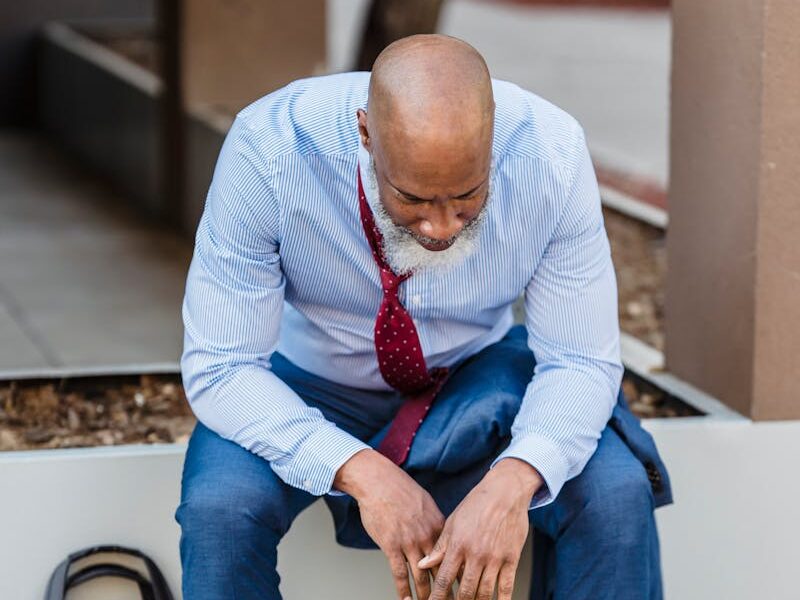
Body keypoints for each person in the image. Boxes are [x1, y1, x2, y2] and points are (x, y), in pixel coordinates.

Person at [176, 34, 672, 600]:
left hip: (476, 377)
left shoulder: (550, 155)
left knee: (613, 493)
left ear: (493, 143)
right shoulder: (268, 150)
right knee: (220, 510)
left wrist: (514, 481)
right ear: (366, 135)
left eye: (467, 196)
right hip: (309, 382)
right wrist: (361, 471)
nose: (441, 226)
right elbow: (222, 366)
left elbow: (580, 360)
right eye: (413, 198)